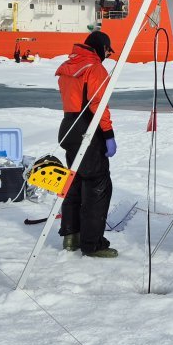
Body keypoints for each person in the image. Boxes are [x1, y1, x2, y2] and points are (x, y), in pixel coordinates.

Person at [55, 31, 119, 258]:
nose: (107, 56)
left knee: (74, 183)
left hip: (69, 127)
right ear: (101, 47)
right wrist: (108, 134)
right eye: (107, 51)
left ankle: (71, 236)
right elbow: (98, 105)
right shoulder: (94, 68)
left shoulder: (68, 66)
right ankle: (93, 244)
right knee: (97, 186)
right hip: (88, 130)